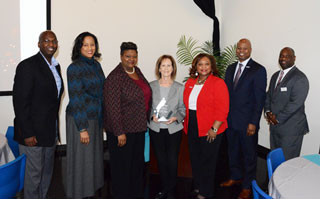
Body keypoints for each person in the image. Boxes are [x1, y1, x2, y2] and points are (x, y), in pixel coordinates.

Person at [12, 30, 64, 199]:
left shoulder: (56, 66)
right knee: (33, 177)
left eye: (54, 41)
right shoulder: (28, 66)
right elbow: (20, 103)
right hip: (32, 134)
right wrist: (27, 133)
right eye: (46, 41)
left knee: (47, 174)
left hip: (49, 132)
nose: (51, 44)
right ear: (39, 44)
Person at [104, 42, 151, 199]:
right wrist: (119, 132)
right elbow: (112, 108)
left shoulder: (137, 71)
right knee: (122, 170)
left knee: (136, 167)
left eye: (134, 56)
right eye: (128, 56)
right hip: (122, 132)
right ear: (121, 57)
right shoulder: (115, 77)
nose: (131, 59)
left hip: (139, 129)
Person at [220, 38, 267, 199]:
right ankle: (235, 176)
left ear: (250, 50)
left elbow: (259, 99)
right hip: (231, 121)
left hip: (248, 123)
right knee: (232, 151)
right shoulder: (230, 68)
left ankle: (247, 185)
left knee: (249, 155)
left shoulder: (258, 70)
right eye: (239, 48)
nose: (241, 51)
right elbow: (227, 94)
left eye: (245, 49)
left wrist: (253, 122)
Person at [183, 53, 229, 199]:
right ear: (195, 66)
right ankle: (198, 186)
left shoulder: (218, 83)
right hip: (192, 125)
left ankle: (206, 191)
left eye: (206, 64)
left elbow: (223, 109)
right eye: (200, 64)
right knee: (196, 158)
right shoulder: (190, 82)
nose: (203, 67)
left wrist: (214, 128)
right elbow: (186, 104)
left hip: (211, 127)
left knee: (208, 160)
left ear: (211, 66)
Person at [65, 32, 105, 199]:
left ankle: (90, 191)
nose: (90, 48)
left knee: (92, 159)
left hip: (95, 117)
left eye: (92, 44)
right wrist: (82, 128)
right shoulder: (74, 68)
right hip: (80, 119)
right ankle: (78, 193)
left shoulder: (96, 65)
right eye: (86, 45)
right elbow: (76, 98)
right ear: (79, 47)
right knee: (82, 159)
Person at [148, 55, 185, 199]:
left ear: (173, 68)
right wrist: (152, 116)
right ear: (158, 68)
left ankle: (171, 189)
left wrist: (177, 117)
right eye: (163, 65)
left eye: (169, 65)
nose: (166, 68)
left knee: (172, 160)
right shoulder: (151, 86)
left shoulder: (179, 87)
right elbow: (147, 107)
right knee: (161, 160)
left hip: (173, 130)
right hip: (156, 129)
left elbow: (183, 109)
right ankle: (165, 187)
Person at [265, 47, 309, 160]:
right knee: (275, 159)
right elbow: (269, 95)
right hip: (275, 126)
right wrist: (268, 112)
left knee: (287, 163)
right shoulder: (275, 76)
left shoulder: (300, 78)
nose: (283, 58)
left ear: (294, 58)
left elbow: (295, 103)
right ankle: (274, 178)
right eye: (281, 56)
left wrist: (277, 118)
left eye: (287, 56)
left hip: (291, 129)